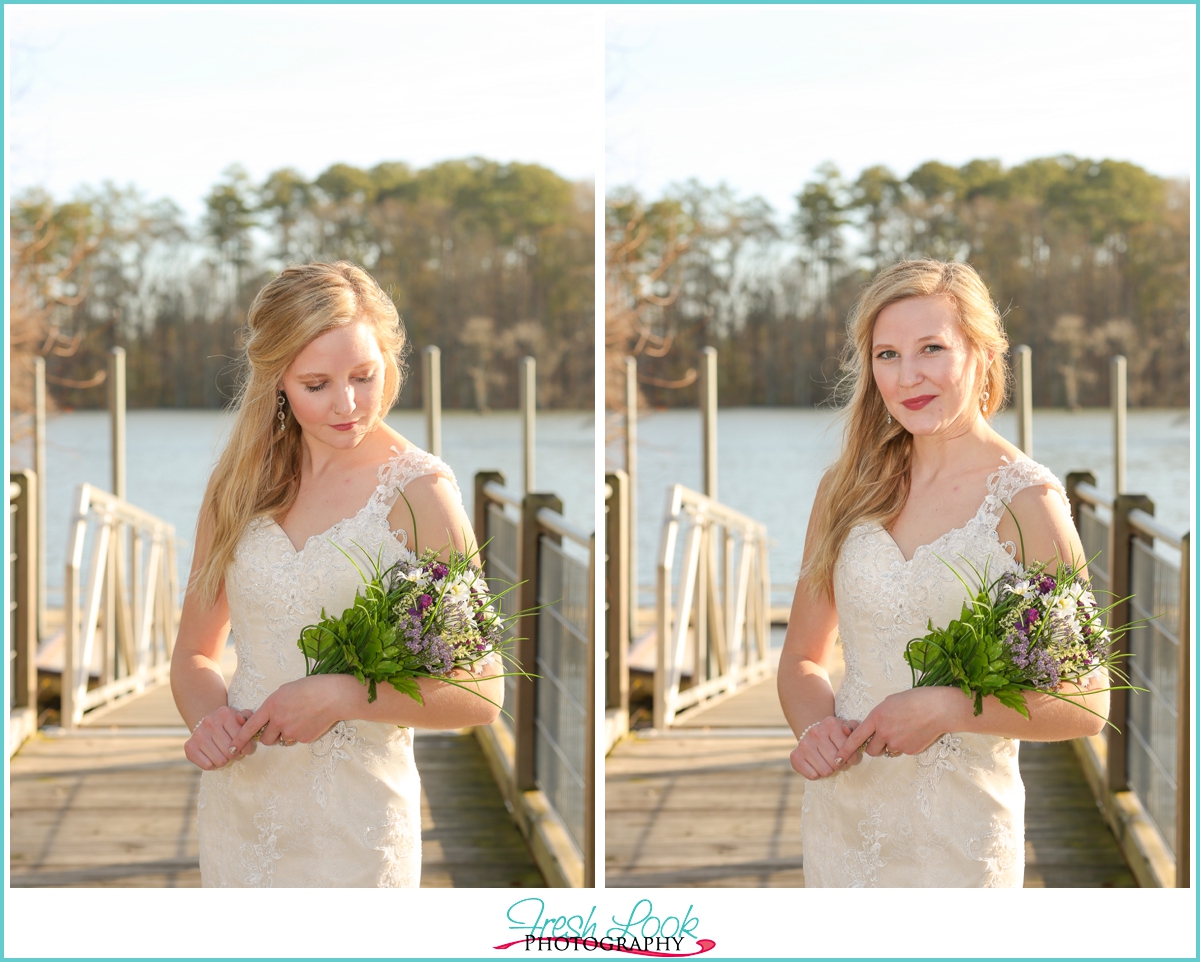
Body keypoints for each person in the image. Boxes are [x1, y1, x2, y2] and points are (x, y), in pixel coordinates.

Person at [777, 259, 1109, 887]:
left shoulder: (1027, 501)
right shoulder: (844, 488)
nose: (908, 376)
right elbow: (801, 659)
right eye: (887, 354)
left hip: (960, 837)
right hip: (841, 824)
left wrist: (950, 707)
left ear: (982, 353)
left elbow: (1087, 700)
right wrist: (816, 728)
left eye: (932, 348)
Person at [170, 261, 501, 887]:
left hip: (357, 828)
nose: (348, 404)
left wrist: (345, 694)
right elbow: (194, 653)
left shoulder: (421, 495)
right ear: (278, 383)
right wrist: (209, 720)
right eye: (317, 384)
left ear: (388, 365)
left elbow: (482, 691)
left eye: (364, 376)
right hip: (240, 814)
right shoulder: (237, 485)